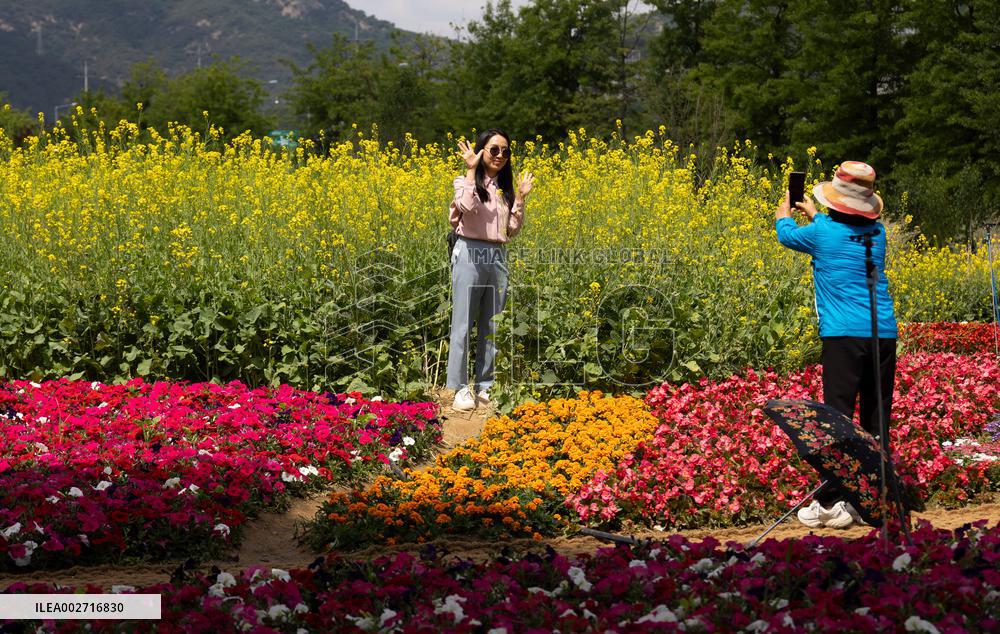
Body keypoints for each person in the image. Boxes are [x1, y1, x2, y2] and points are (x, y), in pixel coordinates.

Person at [775, 161, 898, 529]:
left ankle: (832, 502)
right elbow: (838, 229)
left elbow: (786, 234)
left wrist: (785, 209)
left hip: (844, 336)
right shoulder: (877, 234)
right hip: (883, 333)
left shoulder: (820, 234)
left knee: (836, 422)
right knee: (876, 419)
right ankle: (873, 501)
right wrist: (817, 215)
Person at [446, 129, 534, 411]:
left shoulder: (504, 190)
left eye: (506, 152)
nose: (500, 156)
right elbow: (467, 206)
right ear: (482, 151)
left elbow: (511, 231)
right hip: (470, 250)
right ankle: (460, 388)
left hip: (496, 255)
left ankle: (485, 385)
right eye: (494, 150)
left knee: (492, 324)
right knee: (463, 322)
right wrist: (471, 171)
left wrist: (519, 199)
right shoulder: (463, 181)